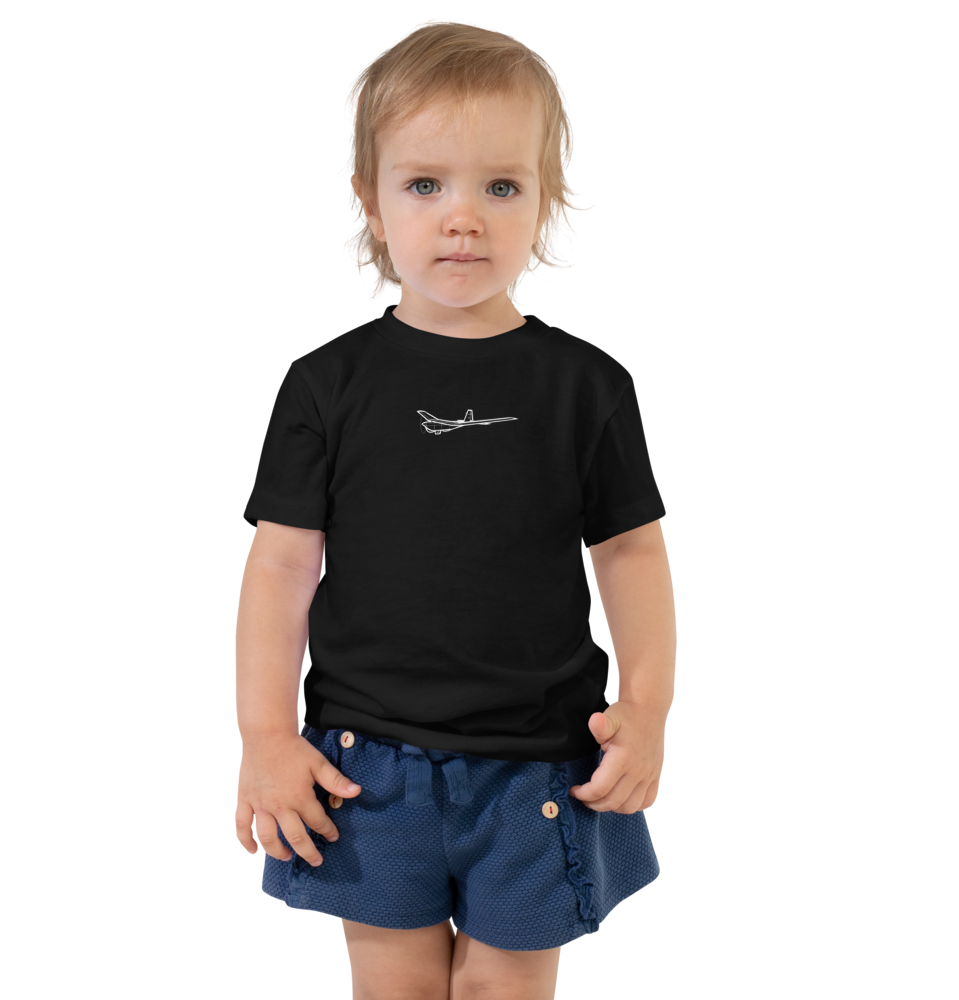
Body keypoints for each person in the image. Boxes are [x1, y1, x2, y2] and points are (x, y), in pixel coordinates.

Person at [235, 18, 675, 1000]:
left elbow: (632, 556)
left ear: (549, 201)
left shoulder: (588, 387)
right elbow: (280, 568)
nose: (462, 218)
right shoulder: (325, 385)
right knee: (392, 986)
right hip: (366, 766)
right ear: (371, 199)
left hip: (541, 765)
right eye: (425, 184)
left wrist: (647, 709)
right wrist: (265, 738)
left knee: (503, 991)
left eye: (501, 186)